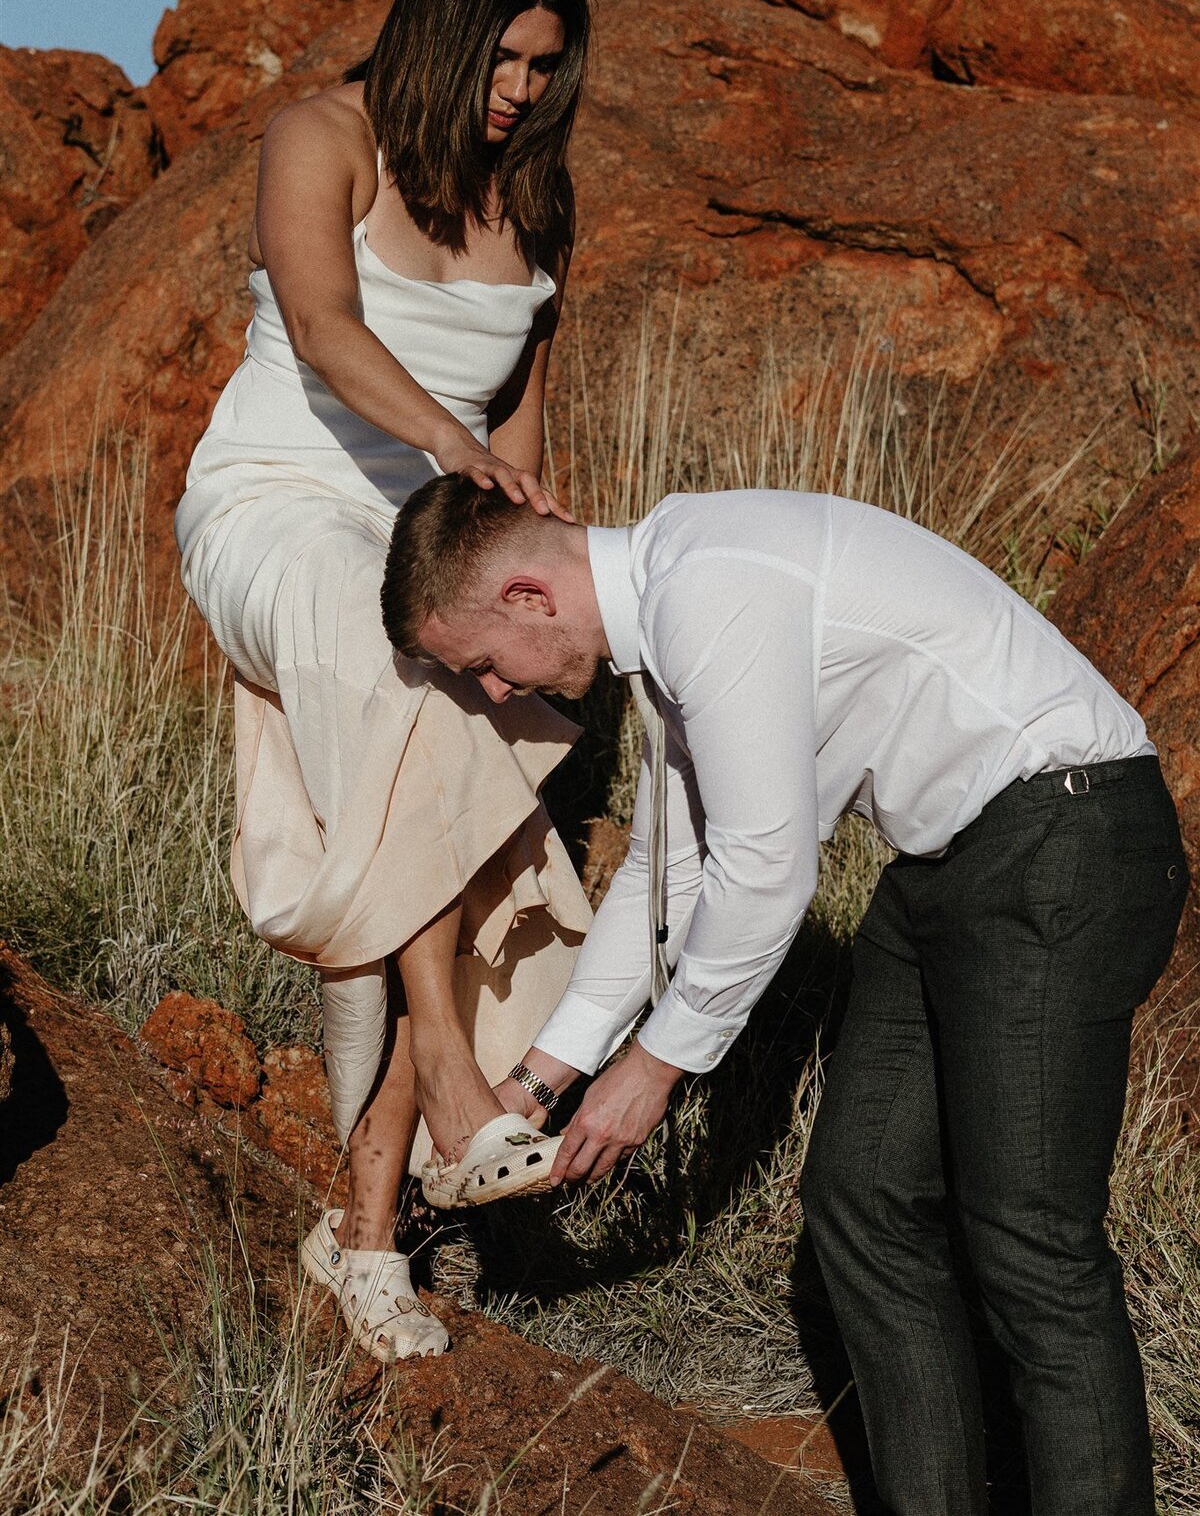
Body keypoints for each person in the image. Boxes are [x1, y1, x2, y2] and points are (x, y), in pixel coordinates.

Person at [380, 474, 1187, 1516]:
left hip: (1063, 835)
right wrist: (541, 1077)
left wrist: (655, 1065)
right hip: (952, 860)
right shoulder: (672, 600)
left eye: (483, 664)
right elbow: (670, 869)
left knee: (1030, 1240)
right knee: (864, 1200)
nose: (495, 692)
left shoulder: (708, 586)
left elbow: (764, 870)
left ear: (531, 595)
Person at [173, 0, 595, 1364]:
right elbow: (323, 322)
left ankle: (364, 1233)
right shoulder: (322, 135)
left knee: (491, 745)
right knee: (415, 675)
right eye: (504, 55)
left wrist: (544, 591)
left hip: (426, 556)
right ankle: (446, 1067)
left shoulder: (536, 213)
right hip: (278, 512)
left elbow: (530, 463)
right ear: (439, 23)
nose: (523, 90)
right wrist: (454, 451)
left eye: (548, 65)